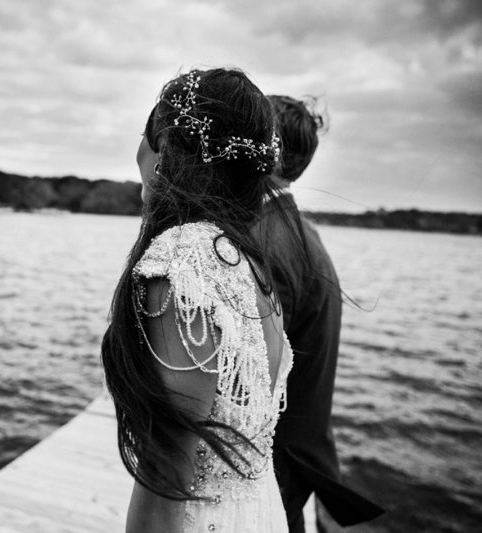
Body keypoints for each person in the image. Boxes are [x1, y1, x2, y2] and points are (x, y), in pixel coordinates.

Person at [101, 67, 295, 533]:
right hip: (261, 512)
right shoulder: (248, 263)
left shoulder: (182, 261)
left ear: (164, 149)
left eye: (145, 135)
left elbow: (164, 482)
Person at [263, 95, 384, 531]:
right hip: (299, 453)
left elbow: (253, 374)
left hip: (274, 463)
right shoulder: (298, 230)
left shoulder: (268, 241)